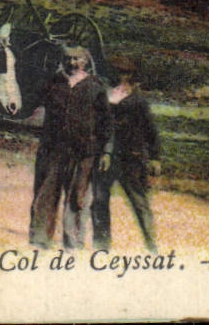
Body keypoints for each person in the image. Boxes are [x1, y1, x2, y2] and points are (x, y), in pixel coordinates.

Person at [29, 46, 109, 248]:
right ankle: (40, 240)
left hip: (83, 153)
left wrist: (106, 150)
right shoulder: (52, 83)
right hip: (53, 150)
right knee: (45, 196)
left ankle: (72, 242)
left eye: (77, 59)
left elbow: (106, 123)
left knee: (77, 198)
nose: (72, 63)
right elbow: (30, 105)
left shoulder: (95, 87)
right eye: (68, 58)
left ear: (85, 61)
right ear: (61, 60)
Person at [93, 55, 161, 252]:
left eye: (125, 72)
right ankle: (102, 246)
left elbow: (151, 130)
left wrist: (155, 157)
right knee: (99, 200)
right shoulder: (103, 95)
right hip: (105, 156)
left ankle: (151, 245)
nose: (120, 76)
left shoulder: (138, 100)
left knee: (139, 201)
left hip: (131, 157)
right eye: (117, 71)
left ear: (132, 75)